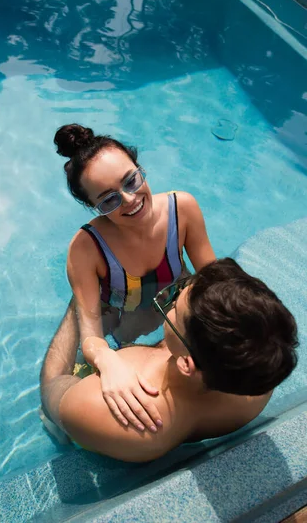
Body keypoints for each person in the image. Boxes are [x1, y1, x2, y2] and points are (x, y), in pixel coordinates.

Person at [40, 258, 298, 462]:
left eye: (173, 307)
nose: (170, 302)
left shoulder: (106, 410)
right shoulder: (259, 367)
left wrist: (83, 300)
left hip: (86, 427)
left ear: (187, 363)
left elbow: (52, 385)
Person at [53, 123, 215, 433]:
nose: (129, 199)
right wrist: (108, 361)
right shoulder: (86, 248)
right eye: (109, 200)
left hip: (170, 308)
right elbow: (91, 333)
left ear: (140, 168)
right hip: (118, 318)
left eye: (131, 180)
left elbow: (216, 281)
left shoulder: (183, 209)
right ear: (94, 207)